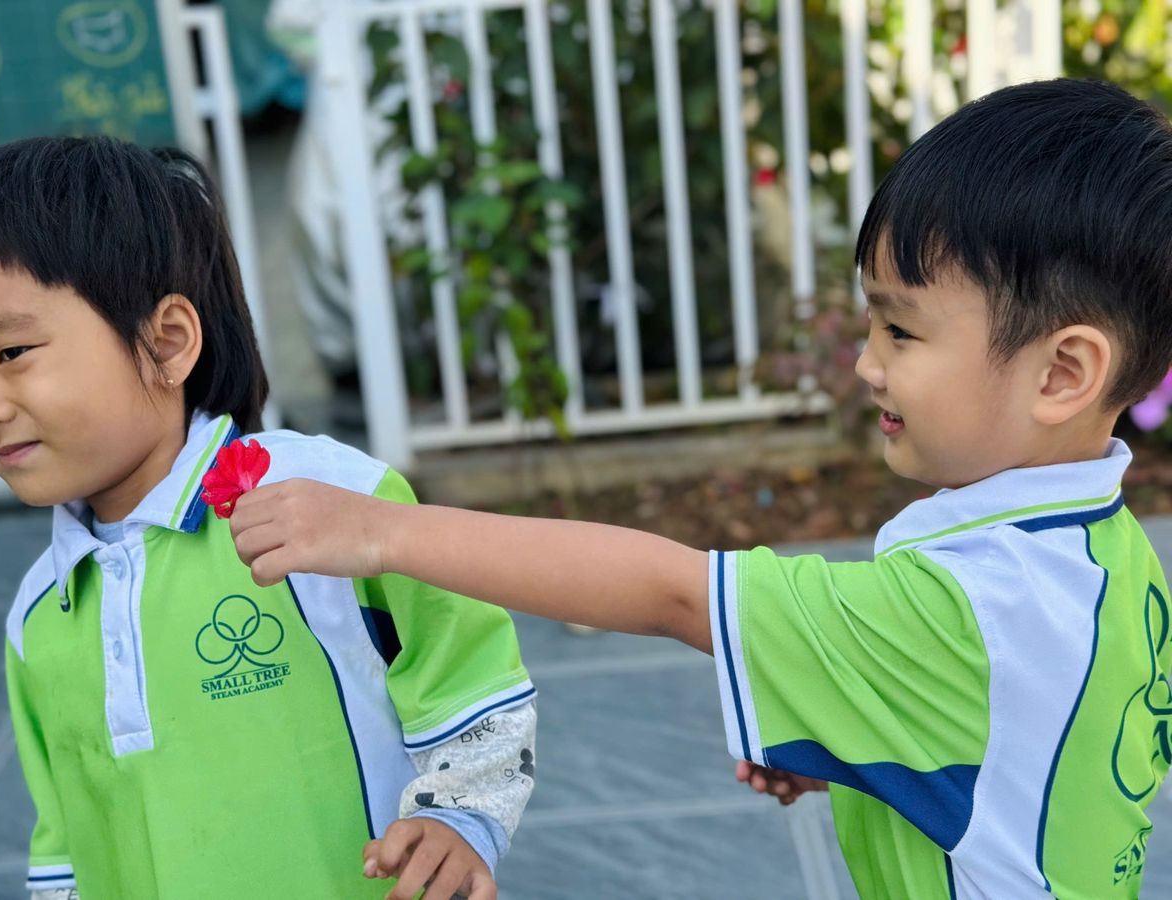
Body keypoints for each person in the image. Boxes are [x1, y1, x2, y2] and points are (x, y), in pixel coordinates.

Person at [227, 79, 1172, 898]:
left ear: (1063, 374)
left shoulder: (965, 609)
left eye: (901, 331)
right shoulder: (1105, 558)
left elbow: (674, 592)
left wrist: (383, 533)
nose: (867, 363)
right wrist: (879, 745)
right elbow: (1029, 757)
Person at [0, 136, 536, 900]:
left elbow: (467, 667)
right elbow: (66, 847)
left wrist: (460, 818)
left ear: (166, 343)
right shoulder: (38, 615)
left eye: (11, 352)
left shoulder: (324, 498)